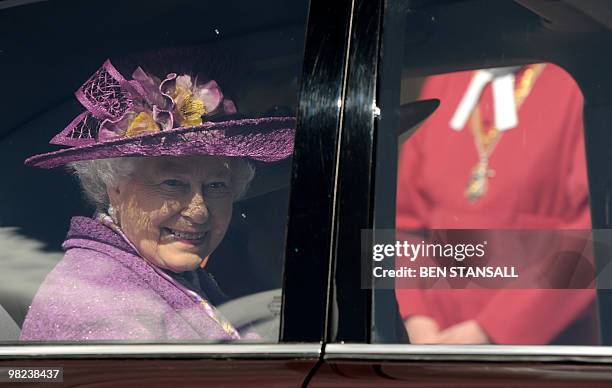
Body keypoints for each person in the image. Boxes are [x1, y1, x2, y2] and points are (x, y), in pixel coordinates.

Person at [20, 55, 294, 341]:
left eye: (216, 185)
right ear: (114, 185)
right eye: (173, 183)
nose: (198, 212)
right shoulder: (97, 306)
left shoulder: (160, 272)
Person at [395, 63, 598, 345]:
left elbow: (593, 238)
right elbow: (401, 227)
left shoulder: (576, 80)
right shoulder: (445, 76)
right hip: (428, 346)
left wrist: (490, 332)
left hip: (537, 353)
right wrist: (414, 318)